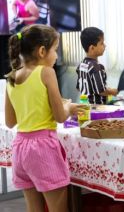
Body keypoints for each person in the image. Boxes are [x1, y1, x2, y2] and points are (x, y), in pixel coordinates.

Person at [5, 24, 81, 212]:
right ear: (41, 51)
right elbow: (60, 116)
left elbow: (10, 121)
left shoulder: (12, 77)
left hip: (20, 149)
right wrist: (68, 107)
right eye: (55, 50)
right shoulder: (46, 72)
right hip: (43, 150)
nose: (57, 56)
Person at [76, 27, 118, 104]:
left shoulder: (81, 65)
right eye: (101, 43)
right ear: (92, 48)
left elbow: (79, 88)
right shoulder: (96, 67)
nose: (105, 46)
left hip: (84, 106)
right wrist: (114, 91)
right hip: (97, 108)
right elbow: (101, 91)